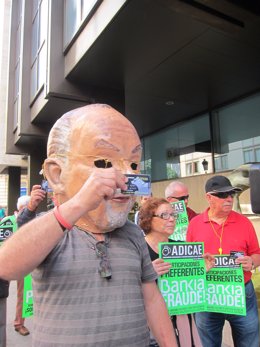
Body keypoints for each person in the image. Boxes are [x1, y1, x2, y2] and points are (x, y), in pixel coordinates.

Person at [0, 104, 177, 347]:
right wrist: (80, 203)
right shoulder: (49, 231)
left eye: (134, 164)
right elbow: (5, 266)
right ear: (56, 174)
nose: (125, 176)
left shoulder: (134, 233)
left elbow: (152, 300)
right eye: (104, 162)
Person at [187, 175, 260, 347]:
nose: (228, 199)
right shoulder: (195, 224)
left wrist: (252, 262)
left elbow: (257, 253)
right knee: (207, 343)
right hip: (207, 294)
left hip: (241, 291)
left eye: (231, 194)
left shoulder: (244, 222)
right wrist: (198, 262)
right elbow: (189, 258)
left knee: (249, 342)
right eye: (222, 195)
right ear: (208, 197)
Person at [139, 197, 214, 347]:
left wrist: (201, 269)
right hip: (151, 324)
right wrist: (147, 273)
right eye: (164, 215)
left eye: (173, 215)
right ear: (148, 219)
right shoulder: (138, 249)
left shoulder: (181, 247)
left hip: (182, 320)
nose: (172, 219)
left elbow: (190, 284)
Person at [14, 187, 46, 336]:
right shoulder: (12, 221)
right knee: (24, 294)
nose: (25, 211)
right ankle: (19, 323)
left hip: (34, 262)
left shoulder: (37, 218)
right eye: (24, 208)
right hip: (20, 263)